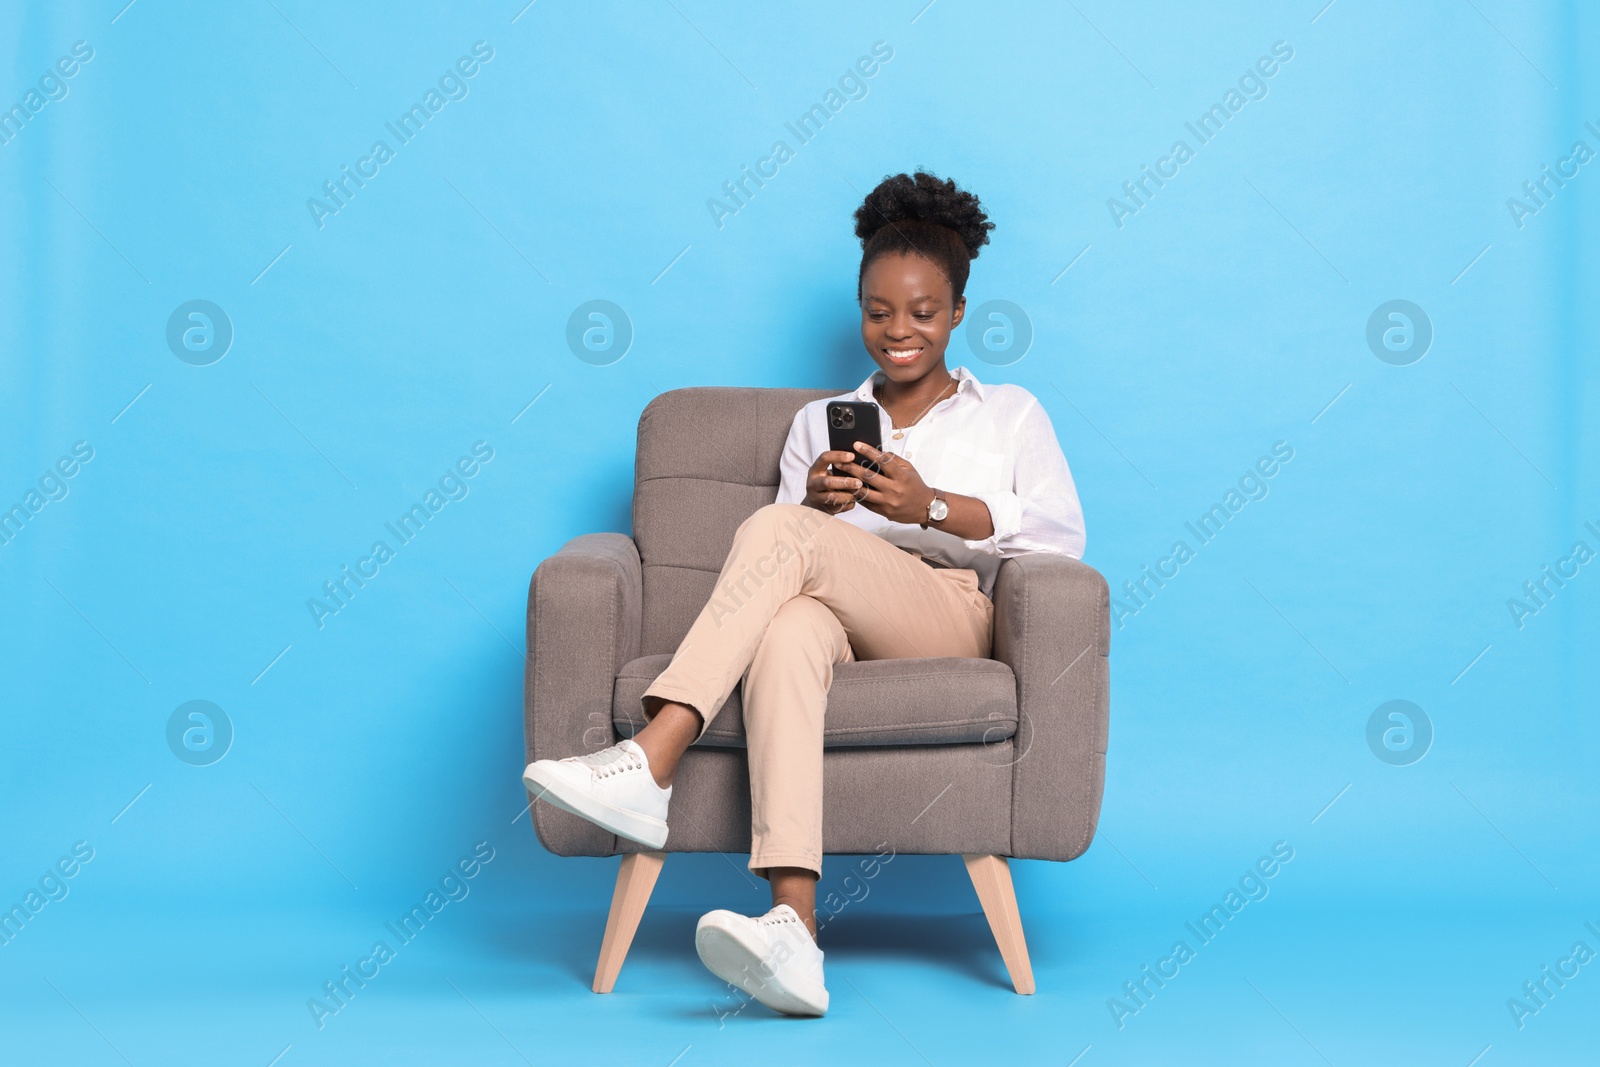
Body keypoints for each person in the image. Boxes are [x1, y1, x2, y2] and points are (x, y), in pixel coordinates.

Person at [523, 170, 1086, 1017]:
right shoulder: (821, 421)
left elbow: (1061, 536)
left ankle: (654, 756)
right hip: (833, 613)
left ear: (960, 311)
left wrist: (927, 504)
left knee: (785, 539)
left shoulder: (1007, 412)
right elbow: (780, 557)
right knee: (785, 628)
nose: (897, 332)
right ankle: (794, 929)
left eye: (923, 312)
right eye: (878, 311)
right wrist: (820, 503)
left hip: (948, 610)